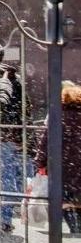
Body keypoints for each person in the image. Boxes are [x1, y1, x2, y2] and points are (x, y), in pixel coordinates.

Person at [35, 81, 81, 234]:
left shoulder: (57, 116)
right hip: (79, 165)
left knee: (64, 197)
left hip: (61, 165)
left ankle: (74, 226)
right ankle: (79, 225)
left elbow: (45, 141)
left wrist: (40, 162)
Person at [0, 60, 30, 233]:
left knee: (0, 176)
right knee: (8, 177)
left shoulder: (0, 83)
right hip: (12, 137)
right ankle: (5, 216)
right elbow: (26, 111)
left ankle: (0, 214)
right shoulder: (20, 87)